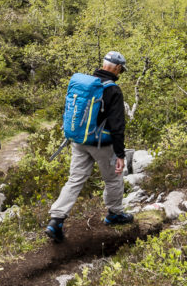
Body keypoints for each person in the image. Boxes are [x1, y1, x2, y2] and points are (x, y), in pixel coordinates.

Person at [45, 50, 133, 243]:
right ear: (117, 68)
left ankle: (56, 220)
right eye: (121, 70)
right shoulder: (113, 90)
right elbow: (118, 126)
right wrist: (120, 154)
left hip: (78, 141)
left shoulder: (86, 84)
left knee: (75, 180)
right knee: (113, 178)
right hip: (101, 144)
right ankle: (114, 214)